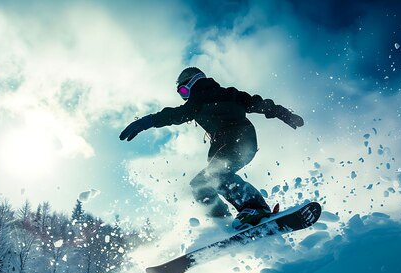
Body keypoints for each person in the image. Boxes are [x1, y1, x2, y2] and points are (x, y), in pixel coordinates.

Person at [119, 67, 304, 228]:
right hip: (243, 142)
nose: (185, 96)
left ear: (192, 83)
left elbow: (172, 115)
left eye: (183, 91)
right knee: (201, 183)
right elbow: (259, 103)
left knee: (215, 175)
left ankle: (254, 211)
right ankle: (226, 221)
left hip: (235, 141)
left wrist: (145, 122)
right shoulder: (231, 93)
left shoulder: (197, 101)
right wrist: (283, 113)